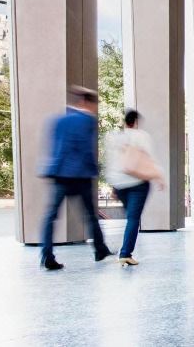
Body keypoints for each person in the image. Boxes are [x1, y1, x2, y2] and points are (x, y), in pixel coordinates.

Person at [39, 86, 111, 270]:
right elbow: (86, 148)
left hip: (60, 174)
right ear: (86, 102)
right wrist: (95, 170)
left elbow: (54, 147)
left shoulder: (59, 120)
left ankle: (47, 255)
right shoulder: (86, 121)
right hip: (80, 175)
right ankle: (100, 250)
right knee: (90, 215)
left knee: (51, 217)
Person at [105, 109, 163, 266]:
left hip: (119, 184)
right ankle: (125, 253)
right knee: (133, 219)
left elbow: (113, 164)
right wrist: (158, 176)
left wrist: (113, 187)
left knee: (130, 217)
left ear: (125, 122)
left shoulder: (115, 137)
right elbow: (149, 159)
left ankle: (124, 251)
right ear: (136, 122)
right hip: (138, 184)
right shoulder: (142, 137)